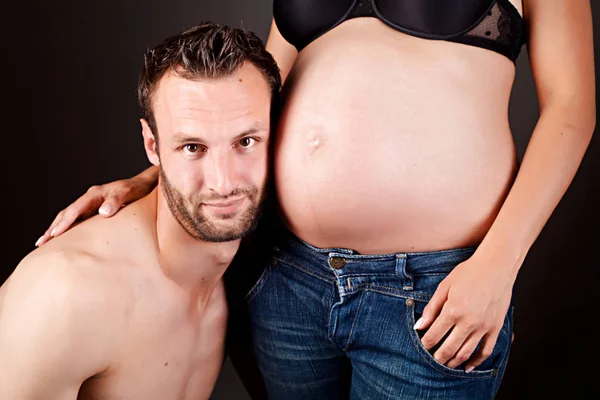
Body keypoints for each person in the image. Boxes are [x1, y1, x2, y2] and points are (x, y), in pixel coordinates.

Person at [36, 0, 596, 399]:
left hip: (433, 295)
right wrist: (151, 176)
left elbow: (572, 107)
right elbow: (253, 94)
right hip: (288, 277)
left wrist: (498, 267)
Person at [0, 23, 281, 400]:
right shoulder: (68, 294)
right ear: (153, 144)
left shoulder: (243, 272)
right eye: (192, 147)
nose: (223, 181)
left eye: (245, 141)